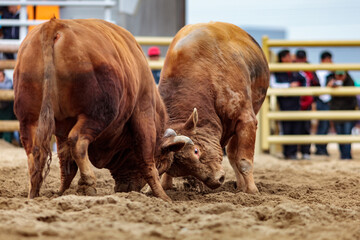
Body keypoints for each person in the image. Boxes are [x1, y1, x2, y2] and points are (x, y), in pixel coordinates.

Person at [270, 49, 306, 160]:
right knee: (286, 127)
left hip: (295, 102)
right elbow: (273, 85)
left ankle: (293, 152)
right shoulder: (277, 70)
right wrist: (289, 85)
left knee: (296, 128)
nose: (292, 58)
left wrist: (299, 87)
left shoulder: (295, 69)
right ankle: (287, 153)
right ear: (283, 58)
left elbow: (304, 79)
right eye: (289, 56)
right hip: (284, 103)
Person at [294, 49, 319, 160]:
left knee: (306, 128)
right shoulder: (291, 68)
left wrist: (313, 99)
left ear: (305, 58)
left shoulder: (310, 70)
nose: (300, 60)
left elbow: (316, 84)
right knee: (295, 127)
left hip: (307, 102)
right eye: (299, 58)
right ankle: (294, 152)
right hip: (294, 101)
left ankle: (306, 151)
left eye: (302, 58)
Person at [327, 70, 357, 160]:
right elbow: (325, 93)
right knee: (340, 135)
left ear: (345, 75)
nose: (340, 77)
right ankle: (343, 155)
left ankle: (347, 155)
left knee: (347, 134)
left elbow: (351, 98)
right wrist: (331, 86)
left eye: (341, 75)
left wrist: (341, 88)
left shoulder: (350, 81)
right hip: (336, 112)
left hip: (348, 112)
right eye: (338, 75)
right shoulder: (330, 79)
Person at [314, 51, 333, 156]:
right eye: (329, 60)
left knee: (326, 126)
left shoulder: (330, 71)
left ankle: (323, 147)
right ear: (324, 60)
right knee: (322, 125)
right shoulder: (318, 71)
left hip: (328, 100)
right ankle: (320, 148)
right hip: (321, 99)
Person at [0, 70, 15, 143]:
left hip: (7, 108)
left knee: (7, 134)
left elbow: (8, 87)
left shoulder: (9, 82)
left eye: (1, 76)